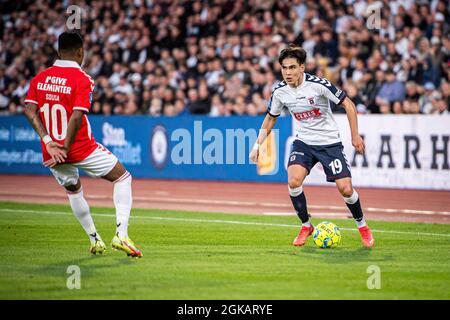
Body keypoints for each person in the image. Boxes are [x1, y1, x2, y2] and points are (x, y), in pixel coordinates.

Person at [24, 32, 143, 257]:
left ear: (59, 51)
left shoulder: (39, 78)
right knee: (122, 177)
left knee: (74, 191)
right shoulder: (82, 79)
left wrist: (49, 142)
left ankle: (95, 240)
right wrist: (67, 147)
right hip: (79, 148)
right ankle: (121, 235)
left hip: (52, 153)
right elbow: (77, 116)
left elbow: (30, 110)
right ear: (80, 52)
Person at [249, 44, 375, 248]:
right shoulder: (280, 92)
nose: (287, 72)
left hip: (329, 143)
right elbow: (271, 118)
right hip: (303, 142)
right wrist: (257, 146)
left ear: (302, 67)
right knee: (293, 181)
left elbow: (349, 105)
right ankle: (306, 225)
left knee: (346, 189)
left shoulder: (319, 85)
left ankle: (362, 226)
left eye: (292, 67)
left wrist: (355, 136)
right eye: (284, 68)